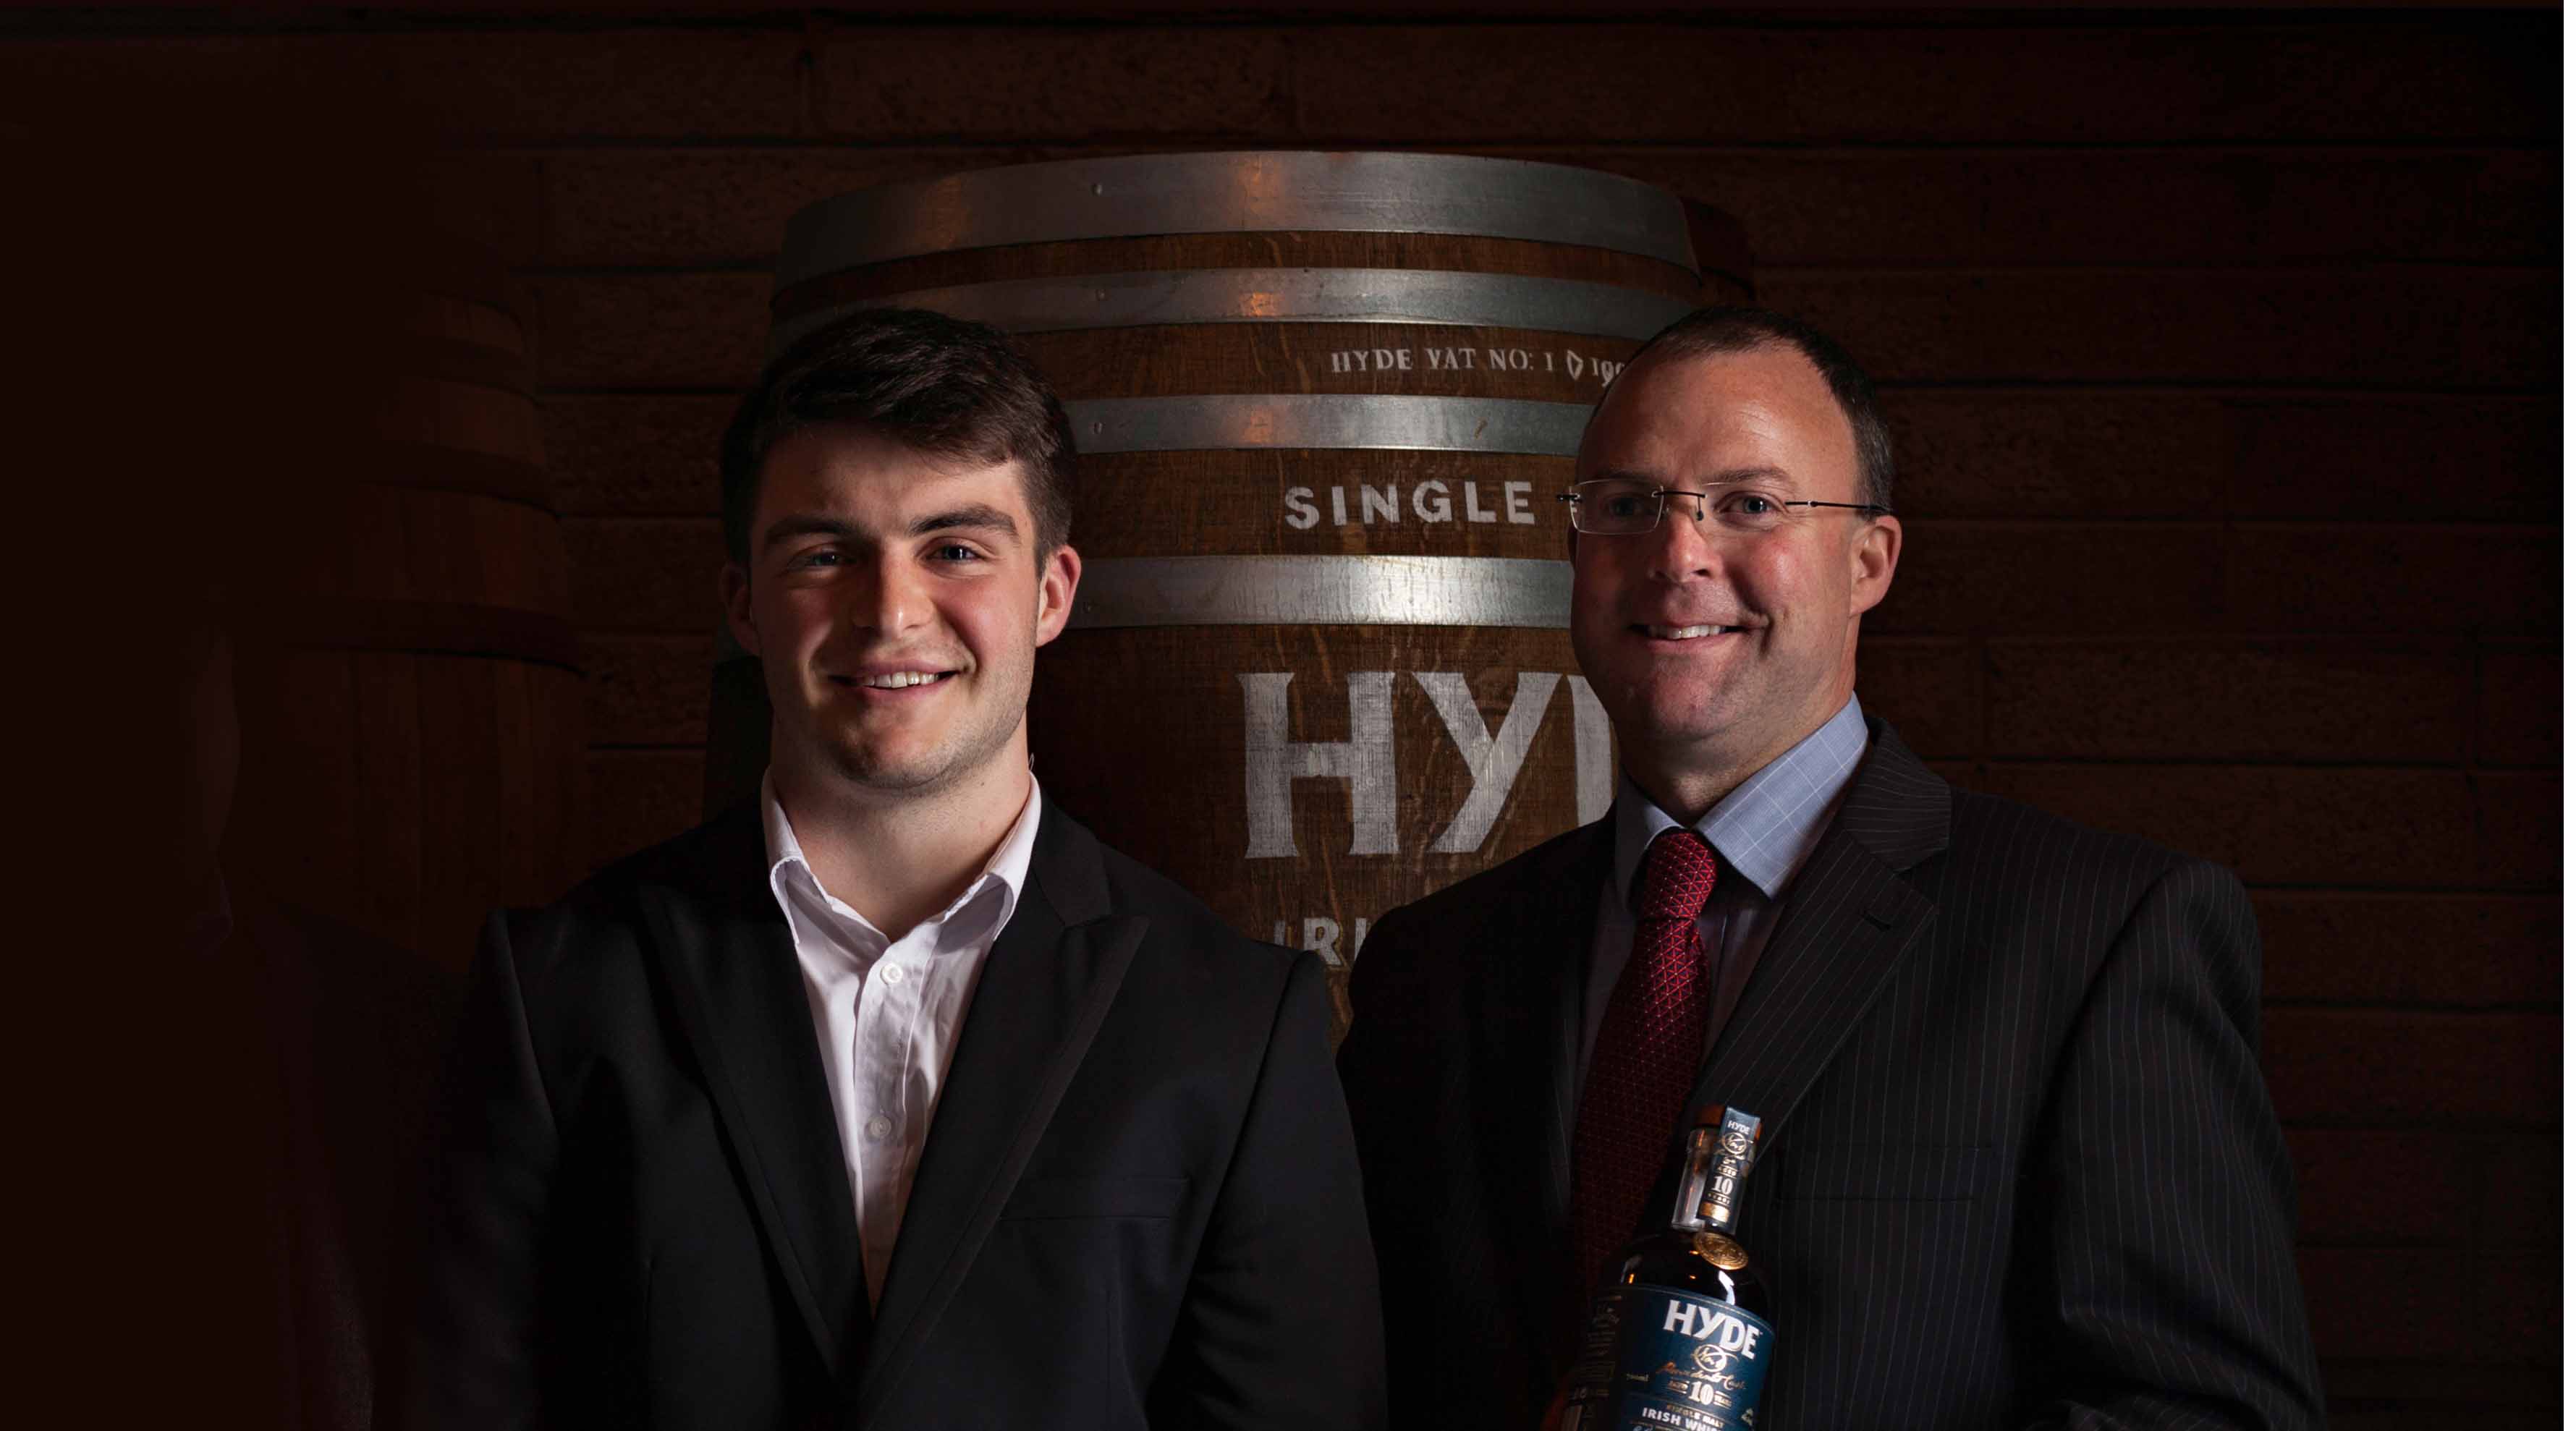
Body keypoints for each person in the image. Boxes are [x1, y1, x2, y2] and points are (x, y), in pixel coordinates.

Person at [1337, 305, 2324, 1429]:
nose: (1676, 556)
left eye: (1749, 505)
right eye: (1626, 506)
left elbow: (2213, 1415)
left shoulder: (2097, 935)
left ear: (1869, 561)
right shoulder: (1434, 963)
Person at [396, 308, 1384, 1430]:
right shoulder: (556, 992)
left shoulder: (1234, 1023)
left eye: (955, 547)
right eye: (825, 553)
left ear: (1053, 593)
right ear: (743, 606)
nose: (891, 612)